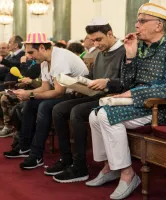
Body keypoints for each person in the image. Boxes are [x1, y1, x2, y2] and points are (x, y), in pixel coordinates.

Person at [85, 3, 166, 200]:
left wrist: (132, 95)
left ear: (158, 25)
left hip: (160, 108)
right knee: (94, 114)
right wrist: (131, 56)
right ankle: (110, 167)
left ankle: (128, 174)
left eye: (142, 21)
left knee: (107, 115)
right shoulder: (140, 46)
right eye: (137, 21)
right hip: (136, 103)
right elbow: (126, 82)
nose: (137, 25)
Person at [46, 17, 127, 183]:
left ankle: (80, 166)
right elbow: (92, 77)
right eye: (92, 41)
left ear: (110, 33)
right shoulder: (100, 54)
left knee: (77, 112)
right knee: (58, 109)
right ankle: (66, 159)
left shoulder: (126, 51)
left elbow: (127, 82)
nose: (96, 45)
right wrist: (77, 83)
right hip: (96, 95)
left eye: (99, 39)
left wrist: (108, 83)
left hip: (113, 98)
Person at [3, 32, 89, 170]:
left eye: (31, 52)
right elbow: (45, 87)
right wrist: (26, 93)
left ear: (42, 47)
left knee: (43, 106)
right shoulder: (44, 61)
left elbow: (58, 92)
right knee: (30, 104)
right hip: (65, 93)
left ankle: (36, 154)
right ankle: (25, 147)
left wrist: (30, 95)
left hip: (79, 94)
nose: (29, 56)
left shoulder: (59, 58)